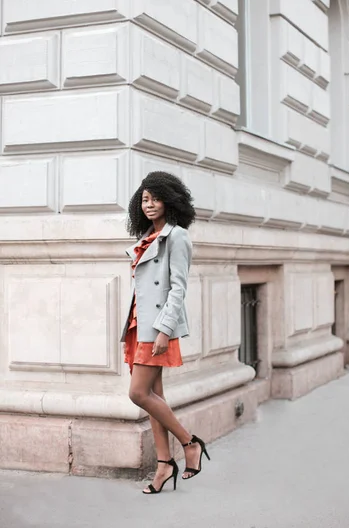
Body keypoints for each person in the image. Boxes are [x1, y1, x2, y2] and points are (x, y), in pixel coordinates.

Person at [121, 171, 210, 494]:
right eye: (145, 199)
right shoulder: (147, 236)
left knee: (138, 394)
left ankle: (190, 442)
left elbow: (177, 289)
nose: (149, 204)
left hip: (156, 327)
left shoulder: (177, 237)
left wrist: (163, 330)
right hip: (138, 323)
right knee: (153, 397)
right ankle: (163, 465)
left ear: (170, 201)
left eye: (156, 198)